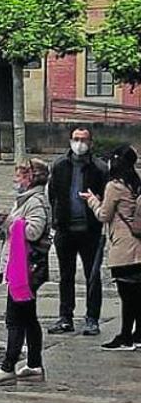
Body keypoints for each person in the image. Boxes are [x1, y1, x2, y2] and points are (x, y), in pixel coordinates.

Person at [0, 158, 52, 386]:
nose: (16, 180)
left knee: (14, 319)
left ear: (30, 178)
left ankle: (7, 367)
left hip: (26, 268)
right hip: (22, 264)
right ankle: (34, 363)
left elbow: (32, 231)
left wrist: (11, 220)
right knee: (29, 318)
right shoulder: (26, 199)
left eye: (20, 176)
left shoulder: (36, 201)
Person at [47, 127, 107, 337]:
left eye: (83, 139)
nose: (79, 143)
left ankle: (92, 318)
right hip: (65, 228)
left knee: (93, 275)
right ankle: (65, 317)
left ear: (90, 143)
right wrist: (56, 220)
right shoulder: (59, 165)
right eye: (76, 139)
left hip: (90, 230)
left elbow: (105, 199)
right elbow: (52, 195)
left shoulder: (99, 168)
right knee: (66, 275)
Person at [84, 145, 141, 351]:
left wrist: (92, 200)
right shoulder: (135, 183)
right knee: (137, 295)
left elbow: (103, 215)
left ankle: (125, 336)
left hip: (124, 247)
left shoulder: (115, 186)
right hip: (139, 245)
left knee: (127, 295)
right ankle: (137, 334)